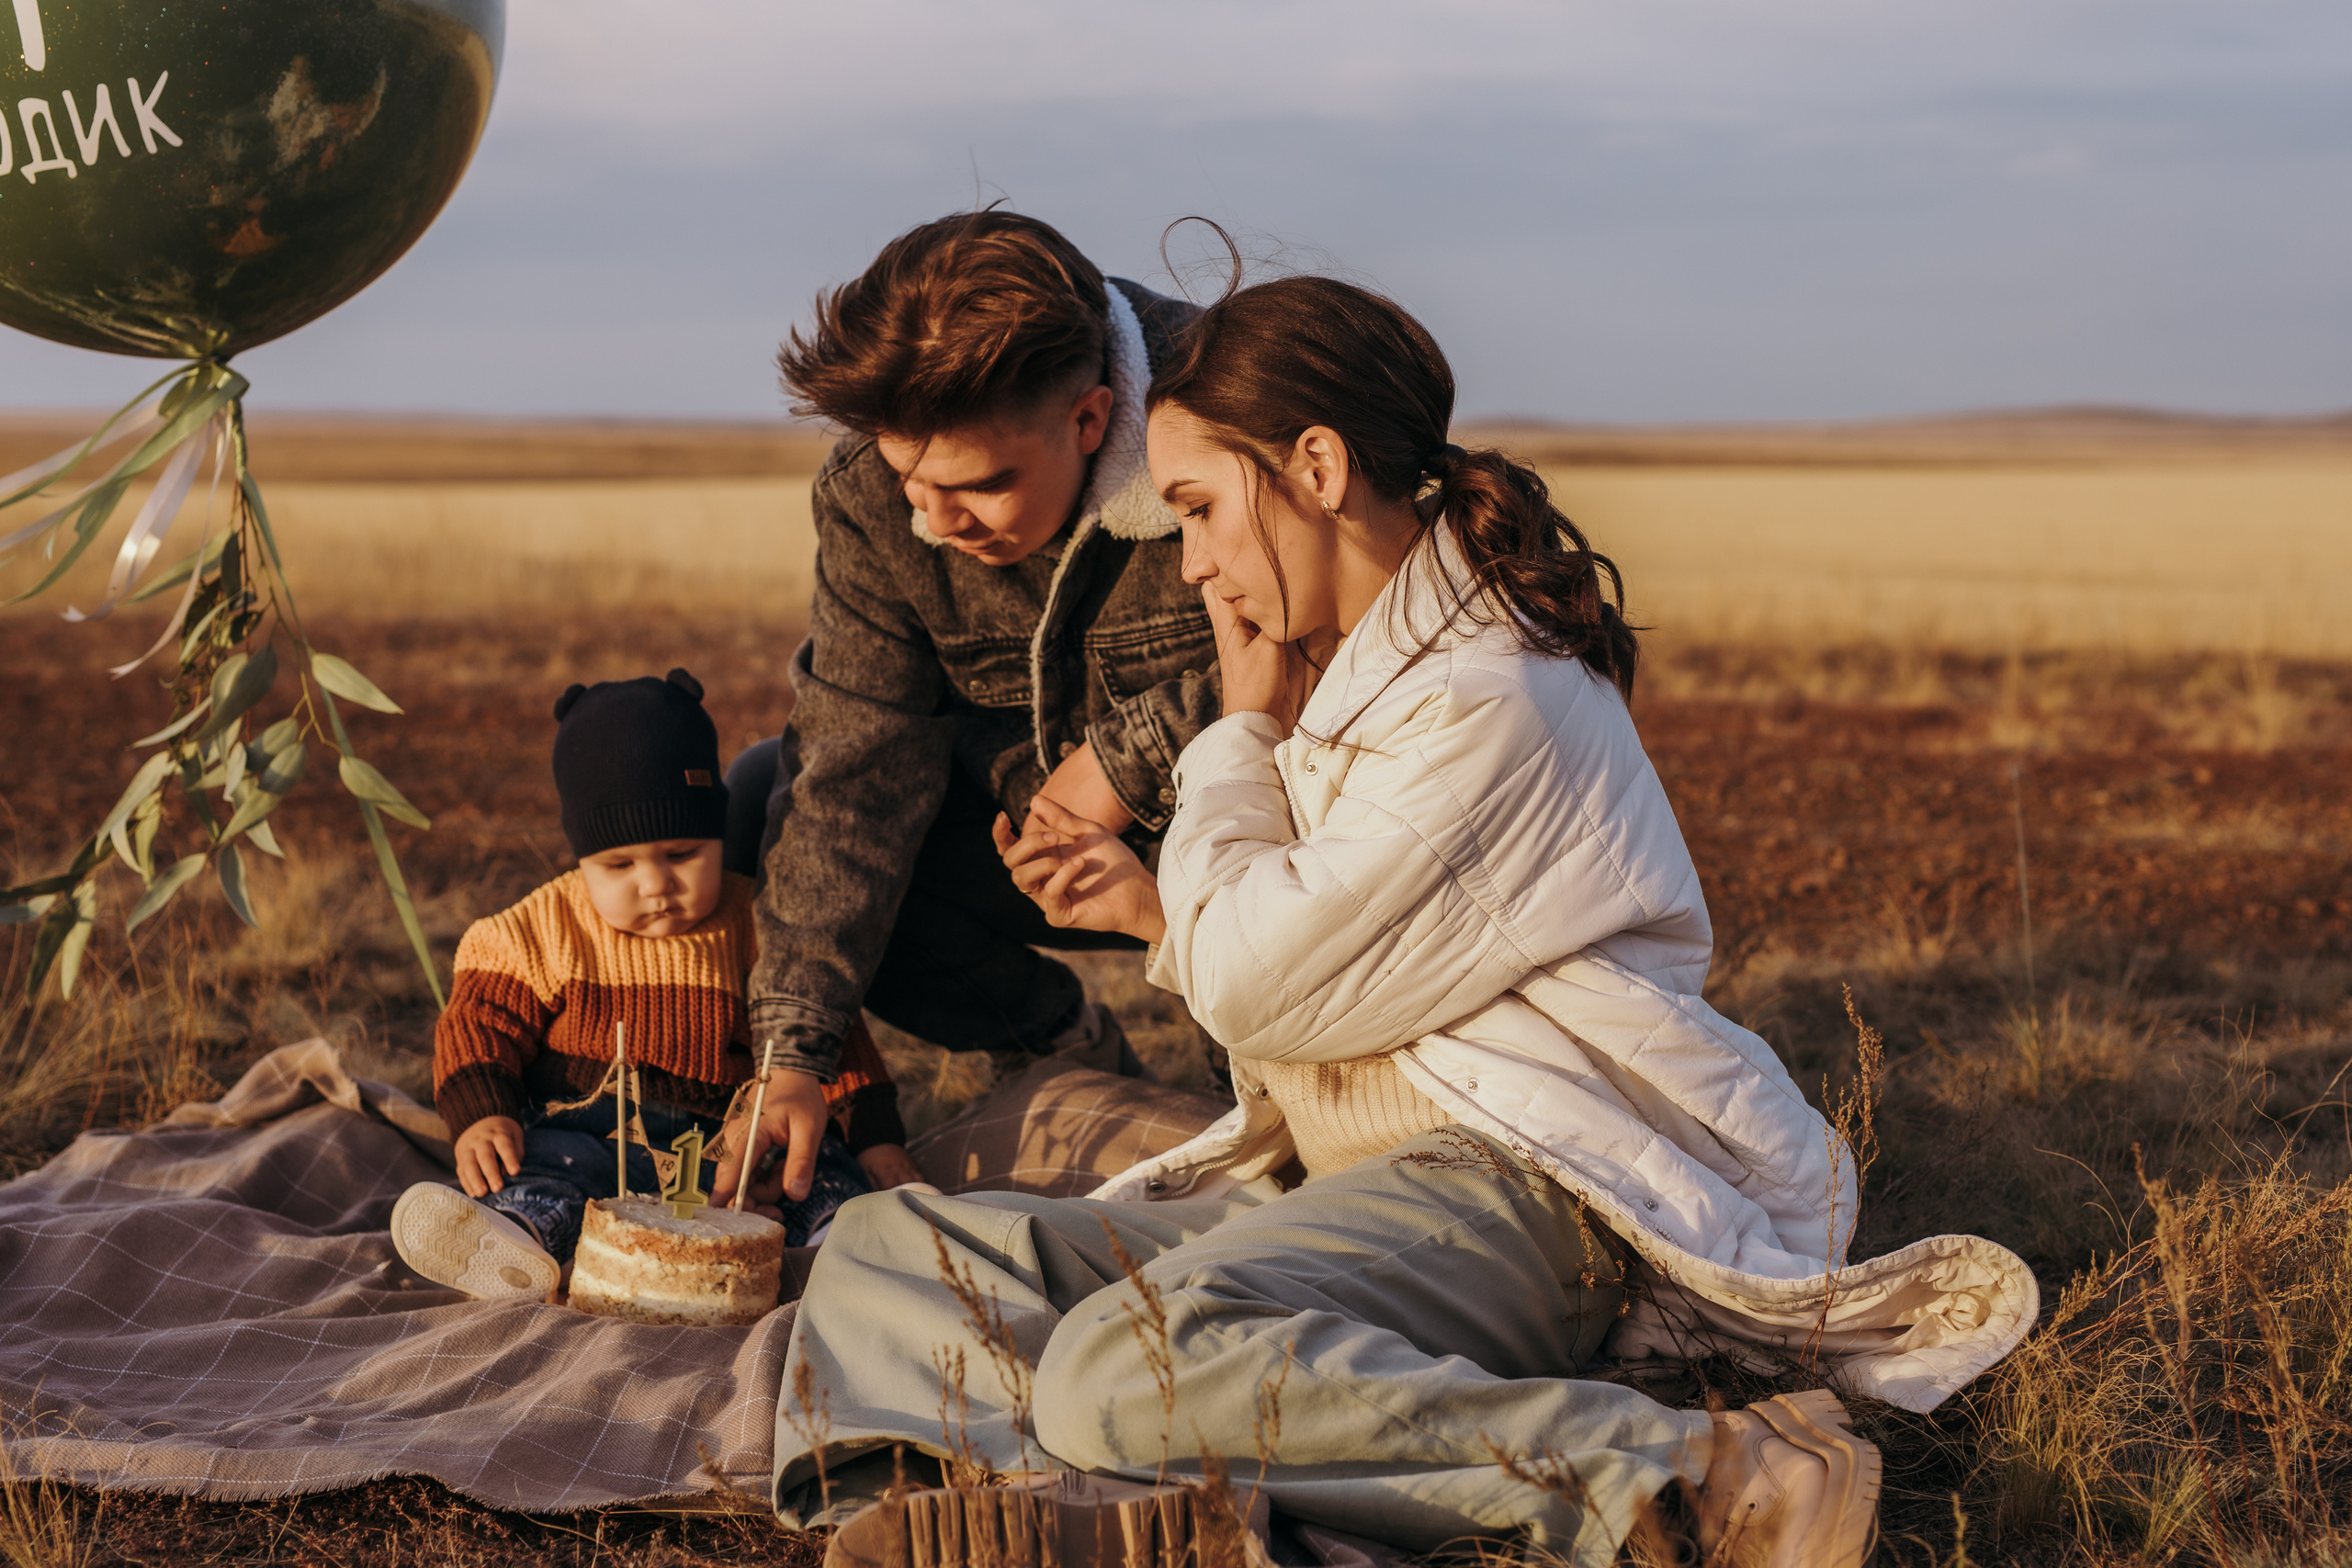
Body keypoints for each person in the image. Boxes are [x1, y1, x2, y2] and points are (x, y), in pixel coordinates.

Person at [778, 276, 2038, 1565]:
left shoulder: (1485, 691)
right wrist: (1171, 904)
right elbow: (1333, 958)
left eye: (1202, 509)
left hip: (1522, 1188)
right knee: (888, 1240)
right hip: (1358, 1173)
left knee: (1120, 1365)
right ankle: (963, 1504)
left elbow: (1259, 982)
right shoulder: (1377, 651)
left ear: (1315, 465)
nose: (1194, 558)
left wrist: (1237, 729)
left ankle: (1692, 1478)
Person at [712, 210, 1218, 1216]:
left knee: (1273, 1179)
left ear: (1090, 420)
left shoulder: (1238, 408)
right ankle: (1058, 1051)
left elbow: (1362, 660)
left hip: (1254, 854)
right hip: (1027, 850)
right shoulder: (872, 500)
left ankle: (1250, 1085)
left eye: (981, 487)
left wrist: (1131, 758)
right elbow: (851, 774)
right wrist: (792, 1052)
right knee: (774, 792)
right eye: (910, 479)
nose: (931, 525)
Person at [390, 670, 913, 1303]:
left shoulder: (761, 924)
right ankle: (516, 1238)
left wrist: (876, 1138)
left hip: (732, 1155)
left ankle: (843, 1238)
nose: (655, 882)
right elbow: (480, 1021)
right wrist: (482, 1114)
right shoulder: (541, 928)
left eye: (683, 852)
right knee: (540, 1165)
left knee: (819, 1164)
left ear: (718, 834)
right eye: (620, 864)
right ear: (581, 857)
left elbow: (827, 1035)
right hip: (594, 1139)